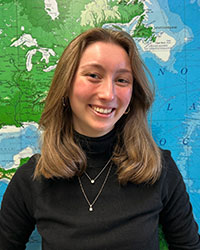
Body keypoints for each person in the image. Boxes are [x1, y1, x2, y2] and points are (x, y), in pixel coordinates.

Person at [0, 28, 199, 250]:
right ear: (66, 85)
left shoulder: (159, 170)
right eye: (94, 75)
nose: (108, 94)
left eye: (122, 80)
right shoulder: (32, 178)